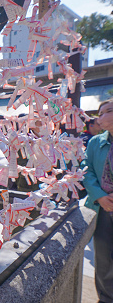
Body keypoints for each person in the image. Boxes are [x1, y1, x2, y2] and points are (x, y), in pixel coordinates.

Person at [86, 99, 113, 302]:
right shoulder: (95, 142)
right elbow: (87, 172)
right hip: (103, 207)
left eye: (106, 111)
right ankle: (105, 297)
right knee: (103, 258)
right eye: (99, 113)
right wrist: (99, 196)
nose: (100, 117)